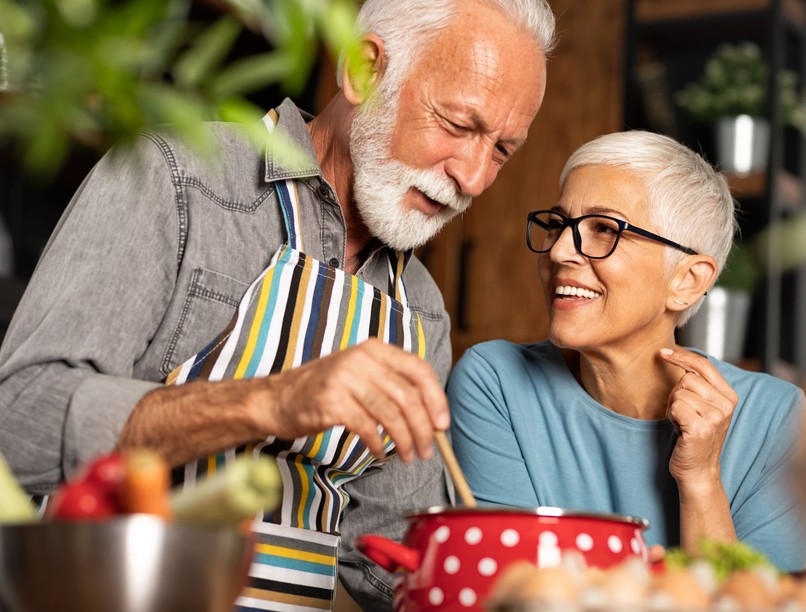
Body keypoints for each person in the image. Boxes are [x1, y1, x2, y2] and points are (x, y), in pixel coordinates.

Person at [0, 0, 556, 609]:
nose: (473, 178)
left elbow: (388, 558)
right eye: (456, 125)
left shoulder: (418, 312)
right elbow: (17, 421)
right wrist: (271, 402)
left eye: (502, 150)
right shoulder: (175, 177)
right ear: (364, 70)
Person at [446, 130, 806, 572]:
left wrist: (701, 479)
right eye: (559, 225)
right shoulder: (496, 381)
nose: (559, 251)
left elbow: (751, 605)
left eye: (604, 230)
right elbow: (508, 590)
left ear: (687, 281)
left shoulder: (776, 417)